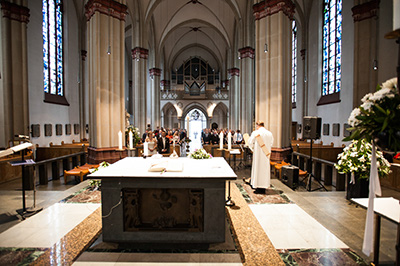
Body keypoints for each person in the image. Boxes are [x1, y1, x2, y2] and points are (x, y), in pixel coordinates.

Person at [247, 121, 273, 194]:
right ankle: (264, 186)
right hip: (266, 155)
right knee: (264, 170)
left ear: (257, 125)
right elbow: (271, 143)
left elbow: (250, 143)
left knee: (258, 169)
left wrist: (254, 149)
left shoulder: (255, 133)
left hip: (258, 155)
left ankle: (258, 187)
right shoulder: (269, 133)